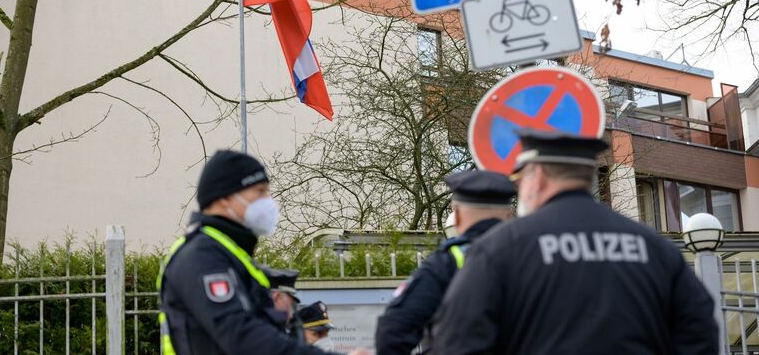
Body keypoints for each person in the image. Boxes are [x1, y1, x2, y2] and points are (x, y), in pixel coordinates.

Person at [431, 130, 718, 354]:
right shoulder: (655, 248)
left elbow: (458, 341)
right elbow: (700, 333)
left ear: (539, 176)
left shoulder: (500, 248)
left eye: (519, 178)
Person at [156, 150, 369, 355]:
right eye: (260, 191)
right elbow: (242, 337)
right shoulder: (202, 257)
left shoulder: (228, 253)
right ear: (224, 198)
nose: (268, 201)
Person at [375, 169, 517, 355]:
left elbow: (392, 333)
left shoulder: (445, 263)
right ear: (509, 215)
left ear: (456, 216)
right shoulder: (537, 256)